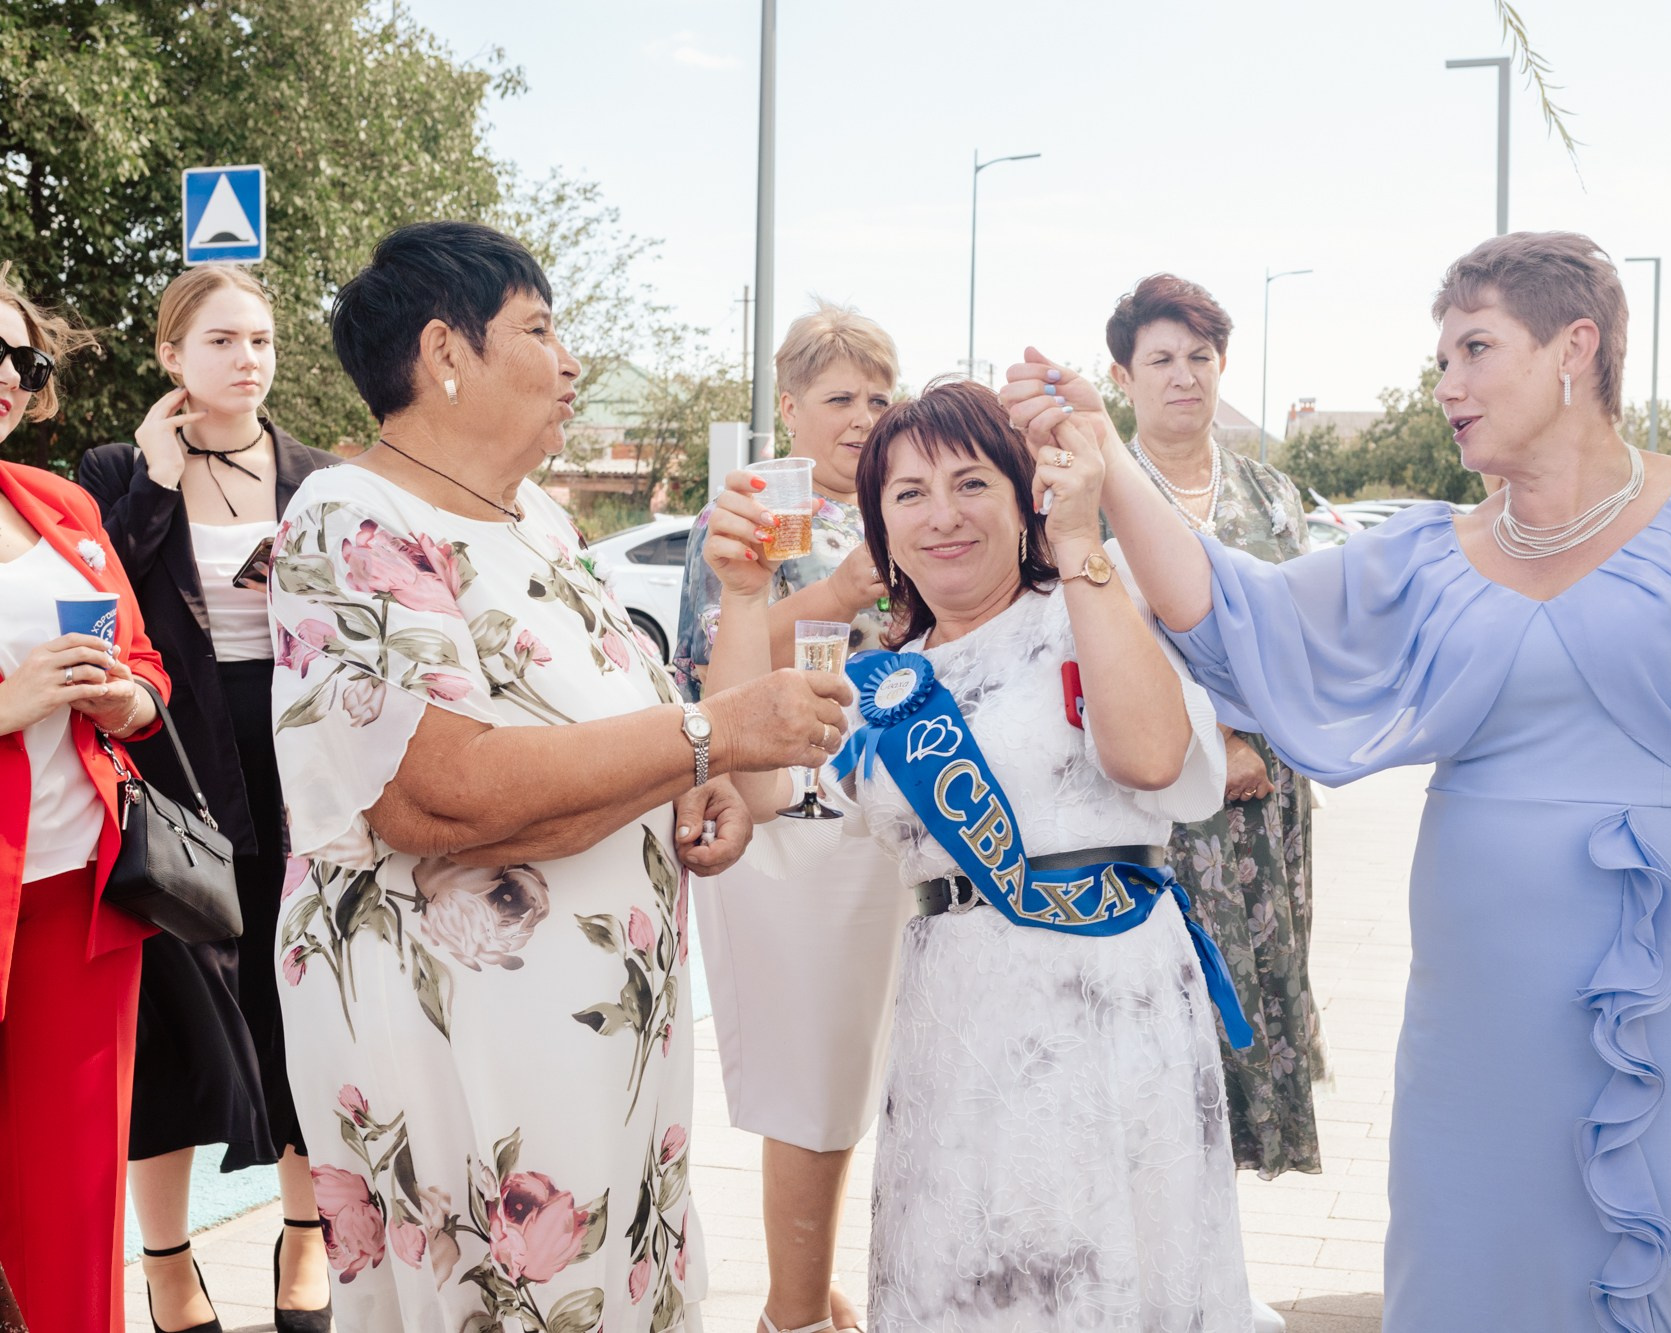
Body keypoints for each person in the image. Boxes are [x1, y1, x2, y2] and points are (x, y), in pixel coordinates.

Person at [1007, 231, 1671, 1332]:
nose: (1443, 386)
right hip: (1481, 1003)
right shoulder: (1424, 555)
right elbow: (1230, 609)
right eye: (1438, 358)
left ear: (1572, 348)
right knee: (1466, 1261)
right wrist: (1104, 455)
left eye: (1472, 350)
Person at [266, 221, 850, 1331]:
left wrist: (687, 774)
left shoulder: (534, 517)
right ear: (445, 350)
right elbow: (437, 793)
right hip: (466, 1039)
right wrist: (704, 737)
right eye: (538, 328)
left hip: (586, 1040)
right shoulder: (353, 517)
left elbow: (604, 730)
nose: (571, 360)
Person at [708, 378, 1254, 1333]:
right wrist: (746, 599)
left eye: (971, 483)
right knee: (971, 1269)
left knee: (1117, 1269)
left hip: (1110, 997)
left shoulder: (1087, 605)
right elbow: (754, 789)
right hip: (957, 1014)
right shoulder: (874, 687)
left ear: (1021, 499)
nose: (942, 516)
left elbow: (1149, 754)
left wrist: (1083, 544)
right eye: (908, 495)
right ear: (879, 528)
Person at [79, 265, 341, 1333]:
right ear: (171, 357)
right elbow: (109, 610)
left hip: (295, 769)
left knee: (299, 1005)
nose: (248, 359)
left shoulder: (317, 476)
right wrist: (149, 479)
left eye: (264, 341)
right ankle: (170, 1259)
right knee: (178, 1021)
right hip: (171, 770)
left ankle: (307, 1230)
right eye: (223, 340)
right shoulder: (109, 472)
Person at [671, 301, 908, 1333]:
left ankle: (815, 1294)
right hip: (789, 828)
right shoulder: (748, 510)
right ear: (791, 405)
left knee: (864, 1074)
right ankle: (793, 1311)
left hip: (895, 821)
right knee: (810, 1079)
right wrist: (841, 590)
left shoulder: (912, 497)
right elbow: (704, 668)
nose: (863, 414)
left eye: (878, 395)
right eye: (841, 396)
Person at [1104, 274, 1324, 1181]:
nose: (1183, 376)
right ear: (1123, 377)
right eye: (1161, 358)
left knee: (1258, 1007)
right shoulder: (1099, 492)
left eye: (1200, 356)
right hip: (1157, 801)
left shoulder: (1272, 493)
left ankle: (1221, 1273)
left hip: (1266, 801)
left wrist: (1260, 739)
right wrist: (1210, 739)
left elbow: (1304, 634)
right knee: (1168, 1017)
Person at [0, 267, 170, 1331]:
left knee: (71, 1214)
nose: (7, 378)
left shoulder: (61, 504)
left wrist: (127, 700)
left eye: (21, 358)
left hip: (82, 901)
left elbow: (146, 667)